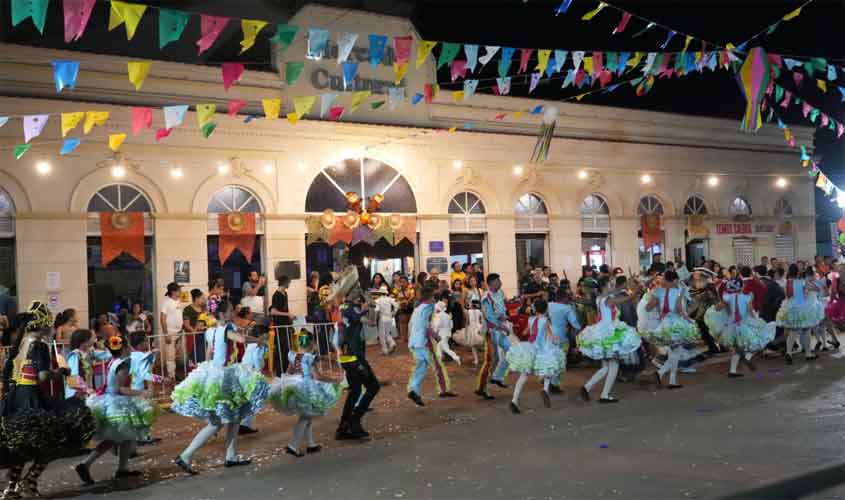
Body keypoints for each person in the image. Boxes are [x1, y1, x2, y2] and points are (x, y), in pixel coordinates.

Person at [0, 303, 96, 498]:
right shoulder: (39, 345)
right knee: (53, 440)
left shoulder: (20, 343)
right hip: (30, 398)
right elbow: (42, 376)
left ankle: (12, 487)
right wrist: (60, 372)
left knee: (21, 443)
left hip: (15, 397)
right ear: (43, 324)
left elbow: (8, 371)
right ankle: (30, 481)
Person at [171, 300, 269, 475]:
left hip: (216, 374)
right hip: (224, 376)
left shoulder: (210, 331)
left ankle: (230, 455)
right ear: (223, 314)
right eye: (231, 310)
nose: (233, 312)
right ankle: (186, 455)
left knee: (234, 416)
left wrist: (209, 374)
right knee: (217, 422)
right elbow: (241, 339)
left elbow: (209, 353)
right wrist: (259, 340)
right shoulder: (226, 330)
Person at [76, 335, 159, 484]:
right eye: (128, 346)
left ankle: (122, 469)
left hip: (110, 400)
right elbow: (121, 389)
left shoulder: (113, 361)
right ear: (125, 348)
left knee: (125, 437)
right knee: (115, 438)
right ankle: (86, 464)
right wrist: (142, 393)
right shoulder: (124, 364)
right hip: (117, 403)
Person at [269, 331, 341, 458]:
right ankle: (293, 446)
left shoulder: (293, 355)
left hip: (294, 387)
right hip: (307, 389)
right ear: (312, 343)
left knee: (307, 416)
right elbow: (317, 376)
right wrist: (334, 380)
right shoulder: (309, 358)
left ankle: (311, 444)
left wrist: (286, 384)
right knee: (305, 417)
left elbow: (289, 371)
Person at [577, 282, 642, 403]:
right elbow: (627, 298)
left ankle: (586, 388)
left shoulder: (599, 298)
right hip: (610, 334)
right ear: (603, 288)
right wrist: (636, 291)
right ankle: (604, 395)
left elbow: (615, 291)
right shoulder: (609, 301)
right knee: (613, 366)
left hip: (602, 333)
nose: (611, 288)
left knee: (605, 367)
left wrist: (624, 285)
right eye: (608, 286)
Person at [706, 279, 776, 378]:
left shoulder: (727, 297)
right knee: (757, 342)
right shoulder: (747, 297)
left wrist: (713, 311)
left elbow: (717, 308)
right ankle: (747, 358)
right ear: (742, 287)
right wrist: (757, 320)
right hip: (743, 325)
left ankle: (732, 371)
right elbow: (750, 311)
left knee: (737, 348)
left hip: (730, 328)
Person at [336, 288, 380, 440]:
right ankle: (353, 423)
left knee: (355, 391)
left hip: (351, 357)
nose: (358, 292)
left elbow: (372, 323)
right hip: (353, 357)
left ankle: (344, 427)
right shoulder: (346, 309)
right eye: (355, 289)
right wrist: (364, 309)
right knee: (373, 386)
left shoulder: (353, 308)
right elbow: (354, 320)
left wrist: (372, 307)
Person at [508, 299, 566, 414]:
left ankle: (514, 400)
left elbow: (525, 333)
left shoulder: (531, 319)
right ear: (546, 309)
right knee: (549, 369)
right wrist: (557, 340)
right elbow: (550, 336)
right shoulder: (545, 321)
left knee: (523, 376)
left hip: (529, 349)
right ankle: (545, 389)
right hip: (542, 350)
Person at [645, 271, 700, 389]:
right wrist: (688, 320)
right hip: (676, 324)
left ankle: (667, 378)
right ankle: (667, 378)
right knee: (676, 352)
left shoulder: (659, 291)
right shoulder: (678, 291)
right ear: (674, 280)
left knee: (674, 352)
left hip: (664, 324)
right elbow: (679, 309)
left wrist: (657, 303)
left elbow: (648, 307)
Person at [406, 287, 455, 408]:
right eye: (433, 297)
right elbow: (426, 325)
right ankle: (444, 390)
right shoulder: (428, 307)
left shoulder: (417, 308)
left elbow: (411, 325)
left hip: (414, 342)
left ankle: (413, 390)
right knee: (437, 366)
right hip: (423, 342)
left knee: (421, 366)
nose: (435, 300)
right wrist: (435, 336)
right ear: (428, 298)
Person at [475, 274, 512, 400]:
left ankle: (497, 377)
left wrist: (505, 316)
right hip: (491, 332)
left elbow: (503, 307)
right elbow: (489, 317)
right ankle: (483, 388)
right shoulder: (487, 296)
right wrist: (501, 325)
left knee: (510, 352)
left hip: (501, 328)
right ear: (491, 283)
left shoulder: (500, 292)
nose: (500, 282)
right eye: (498, 280)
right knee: (491, 360)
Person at [777, 266, 824, 364]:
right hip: (802, 308)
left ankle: (789, 352)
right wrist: (811, 283)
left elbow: (787, 295)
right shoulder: (802, 282)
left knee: (793, 332)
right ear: (798, 272)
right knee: (806, 331)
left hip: (789, 308)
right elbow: (815, 289)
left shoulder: (787, 282)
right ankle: (808, 353)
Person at [547, 289, 581, 393]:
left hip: (548, 336)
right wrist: (579, 329)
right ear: (565, 298)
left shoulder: (549, 305)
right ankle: (554, 384)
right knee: (560, 361)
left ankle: (548, 381)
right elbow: (575, 323)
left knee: (551, 359)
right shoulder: (567, 308)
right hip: (561, 337)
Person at [239, 324, 269, 435]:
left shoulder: (252, 343)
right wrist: (259, 373)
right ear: (260, 334)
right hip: (252, 374)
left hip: (244, 372)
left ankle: (243, 423)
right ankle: (244, 424)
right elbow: (257, 358)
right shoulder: (260, 344)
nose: (268, 334)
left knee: (247, 399)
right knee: (255, 399)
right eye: (266, 332)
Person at [270, 275, 294, 375]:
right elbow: (273, 311)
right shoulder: (276, 295)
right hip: (280, 326)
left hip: (286, 325)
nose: (289, 284)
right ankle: (280, 373)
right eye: (289, 282)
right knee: (282, 349)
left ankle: (285, 370)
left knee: (287, 349)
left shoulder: (285, 294)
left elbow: (285, 309)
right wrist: (287, 314)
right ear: (284, 282)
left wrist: (290, 318)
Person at [159, 282, 183, 380]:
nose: (181, 291)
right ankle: (171, 376)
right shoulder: (166, 302)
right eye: (179, 290)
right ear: (173, 292)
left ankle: (174, 373)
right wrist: (166, 334)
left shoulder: (178, 301)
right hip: (170, 332)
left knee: (175, 355)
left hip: (179, 332)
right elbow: (162, 319)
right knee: (170, 356)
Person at [182, 289, 207, 368]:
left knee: (204, 355)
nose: (204, 300)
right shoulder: (187, 309)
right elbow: (186, 325)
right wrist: (194, 332)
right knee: (192, 355)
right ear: (196, 298)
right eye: (202, 298)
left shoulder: (204, 309)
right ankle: (191, 373)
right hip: (192, 337)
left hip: (204, 336)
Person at [434, 298, 460, 364]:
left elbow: (437, 325)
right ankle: (439, 359)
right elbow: (451, 325)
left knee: (445, 348)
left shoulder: (439, 316)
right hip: (448, 333)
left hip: (442, 334)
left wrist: (435, 331)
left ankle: (456, 357)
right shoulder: (447, 315)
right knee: (439, 346)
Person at [374, 286, 398, 355]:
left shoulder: (378, 300)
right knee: (387, 333)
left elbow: (377, 310)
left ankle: (385, 350)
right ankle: (392, 343)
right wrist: (393, 313)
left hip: (382, 318)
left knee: (382, 335)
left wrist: (375, 319)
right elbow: (397, 306)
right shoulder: (390, 299)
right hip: (389, 318)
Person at [392, 275, 415, 342]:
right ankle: (403, 338)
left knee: (410, 323)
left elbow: (412, 296)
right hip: (401, 307)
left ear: (407, 282)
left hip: (410, 307)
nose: (403, 283)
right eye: (401, 282)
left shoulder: (411, 288)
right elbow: (394, 296)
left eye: (404, 282)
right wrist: (399, 302)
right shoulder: (397, 289)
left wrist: (406, 302)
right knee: (402, 323)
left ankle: (410, 337)